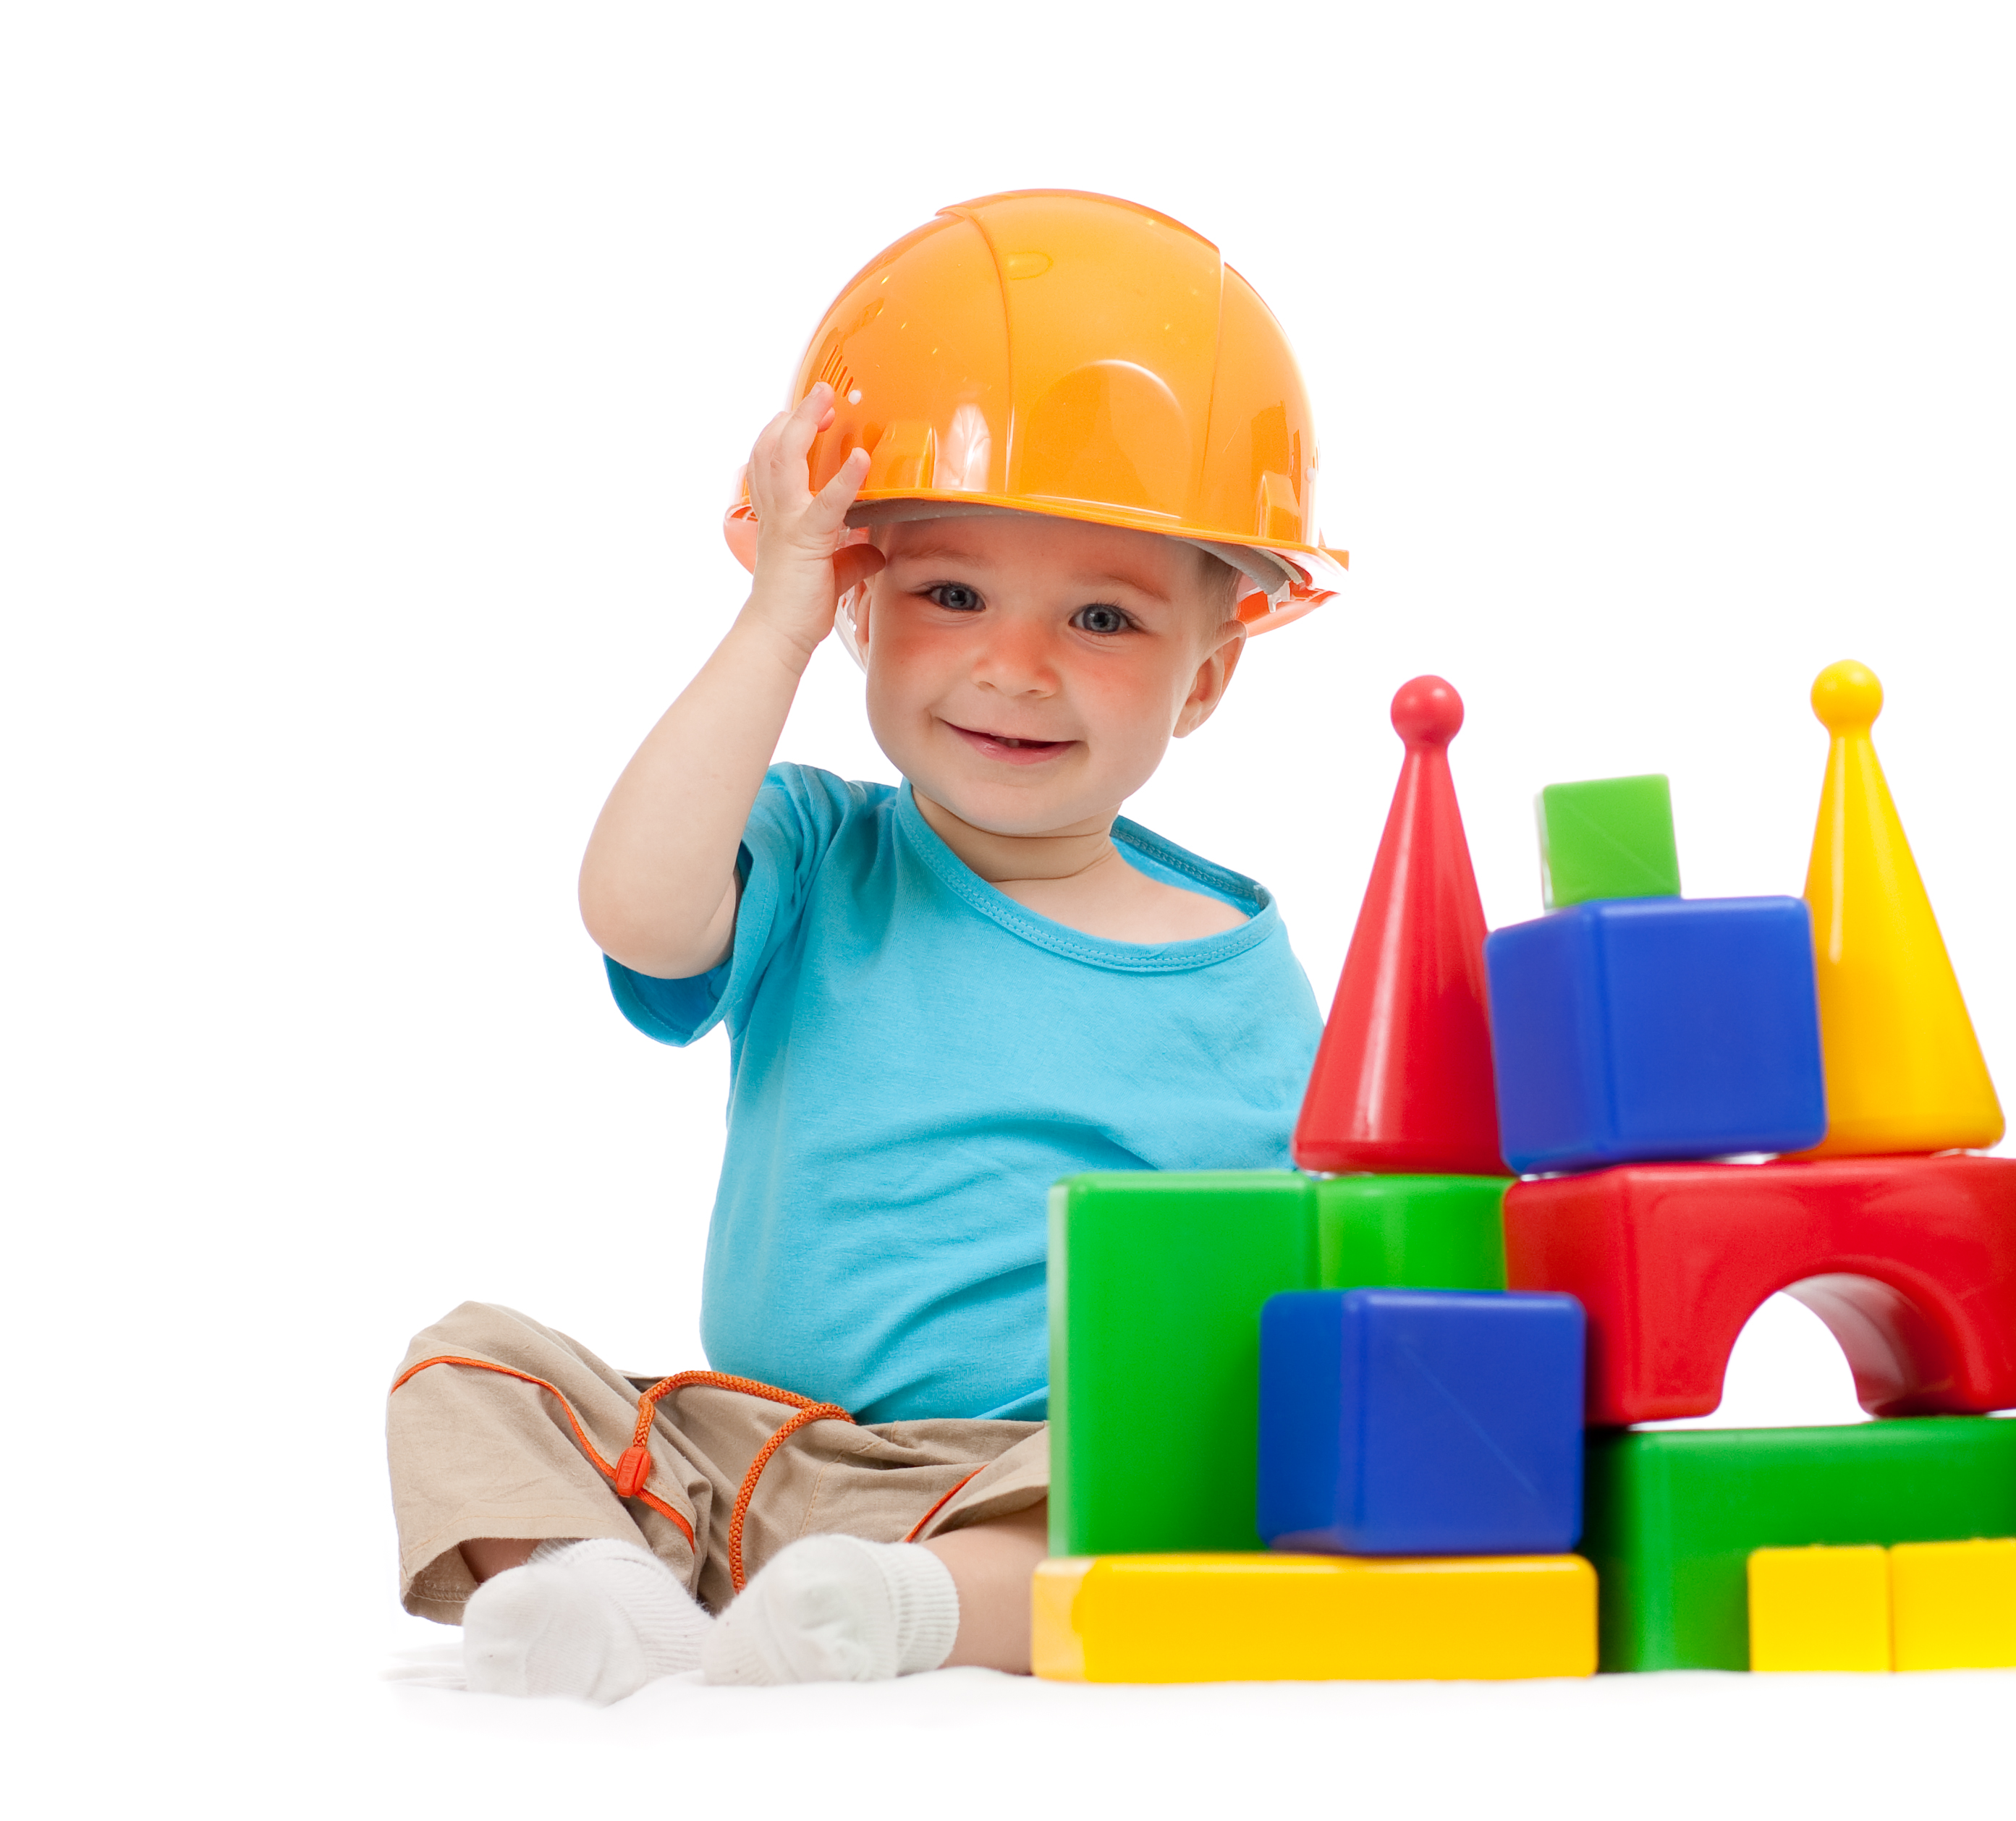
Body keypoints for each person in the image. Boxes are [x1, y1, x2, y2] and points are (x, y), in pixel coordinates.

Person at [386, 192, 1344, 1702]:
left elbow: (1290, 1300)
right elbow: (637, 908)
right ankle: (588, 1585)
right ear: (858, 601)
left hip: (1039, 1473)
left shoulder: (1235, 966)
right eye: (949, 592)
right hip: (756, 1444)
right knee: (467, 1365)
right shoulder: (819, 852)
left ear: (1209, 674)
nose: (1013, 666)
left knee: (1201, 1490)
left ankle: (904, 1607)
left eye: (1102, 616)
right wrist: (772, 615)